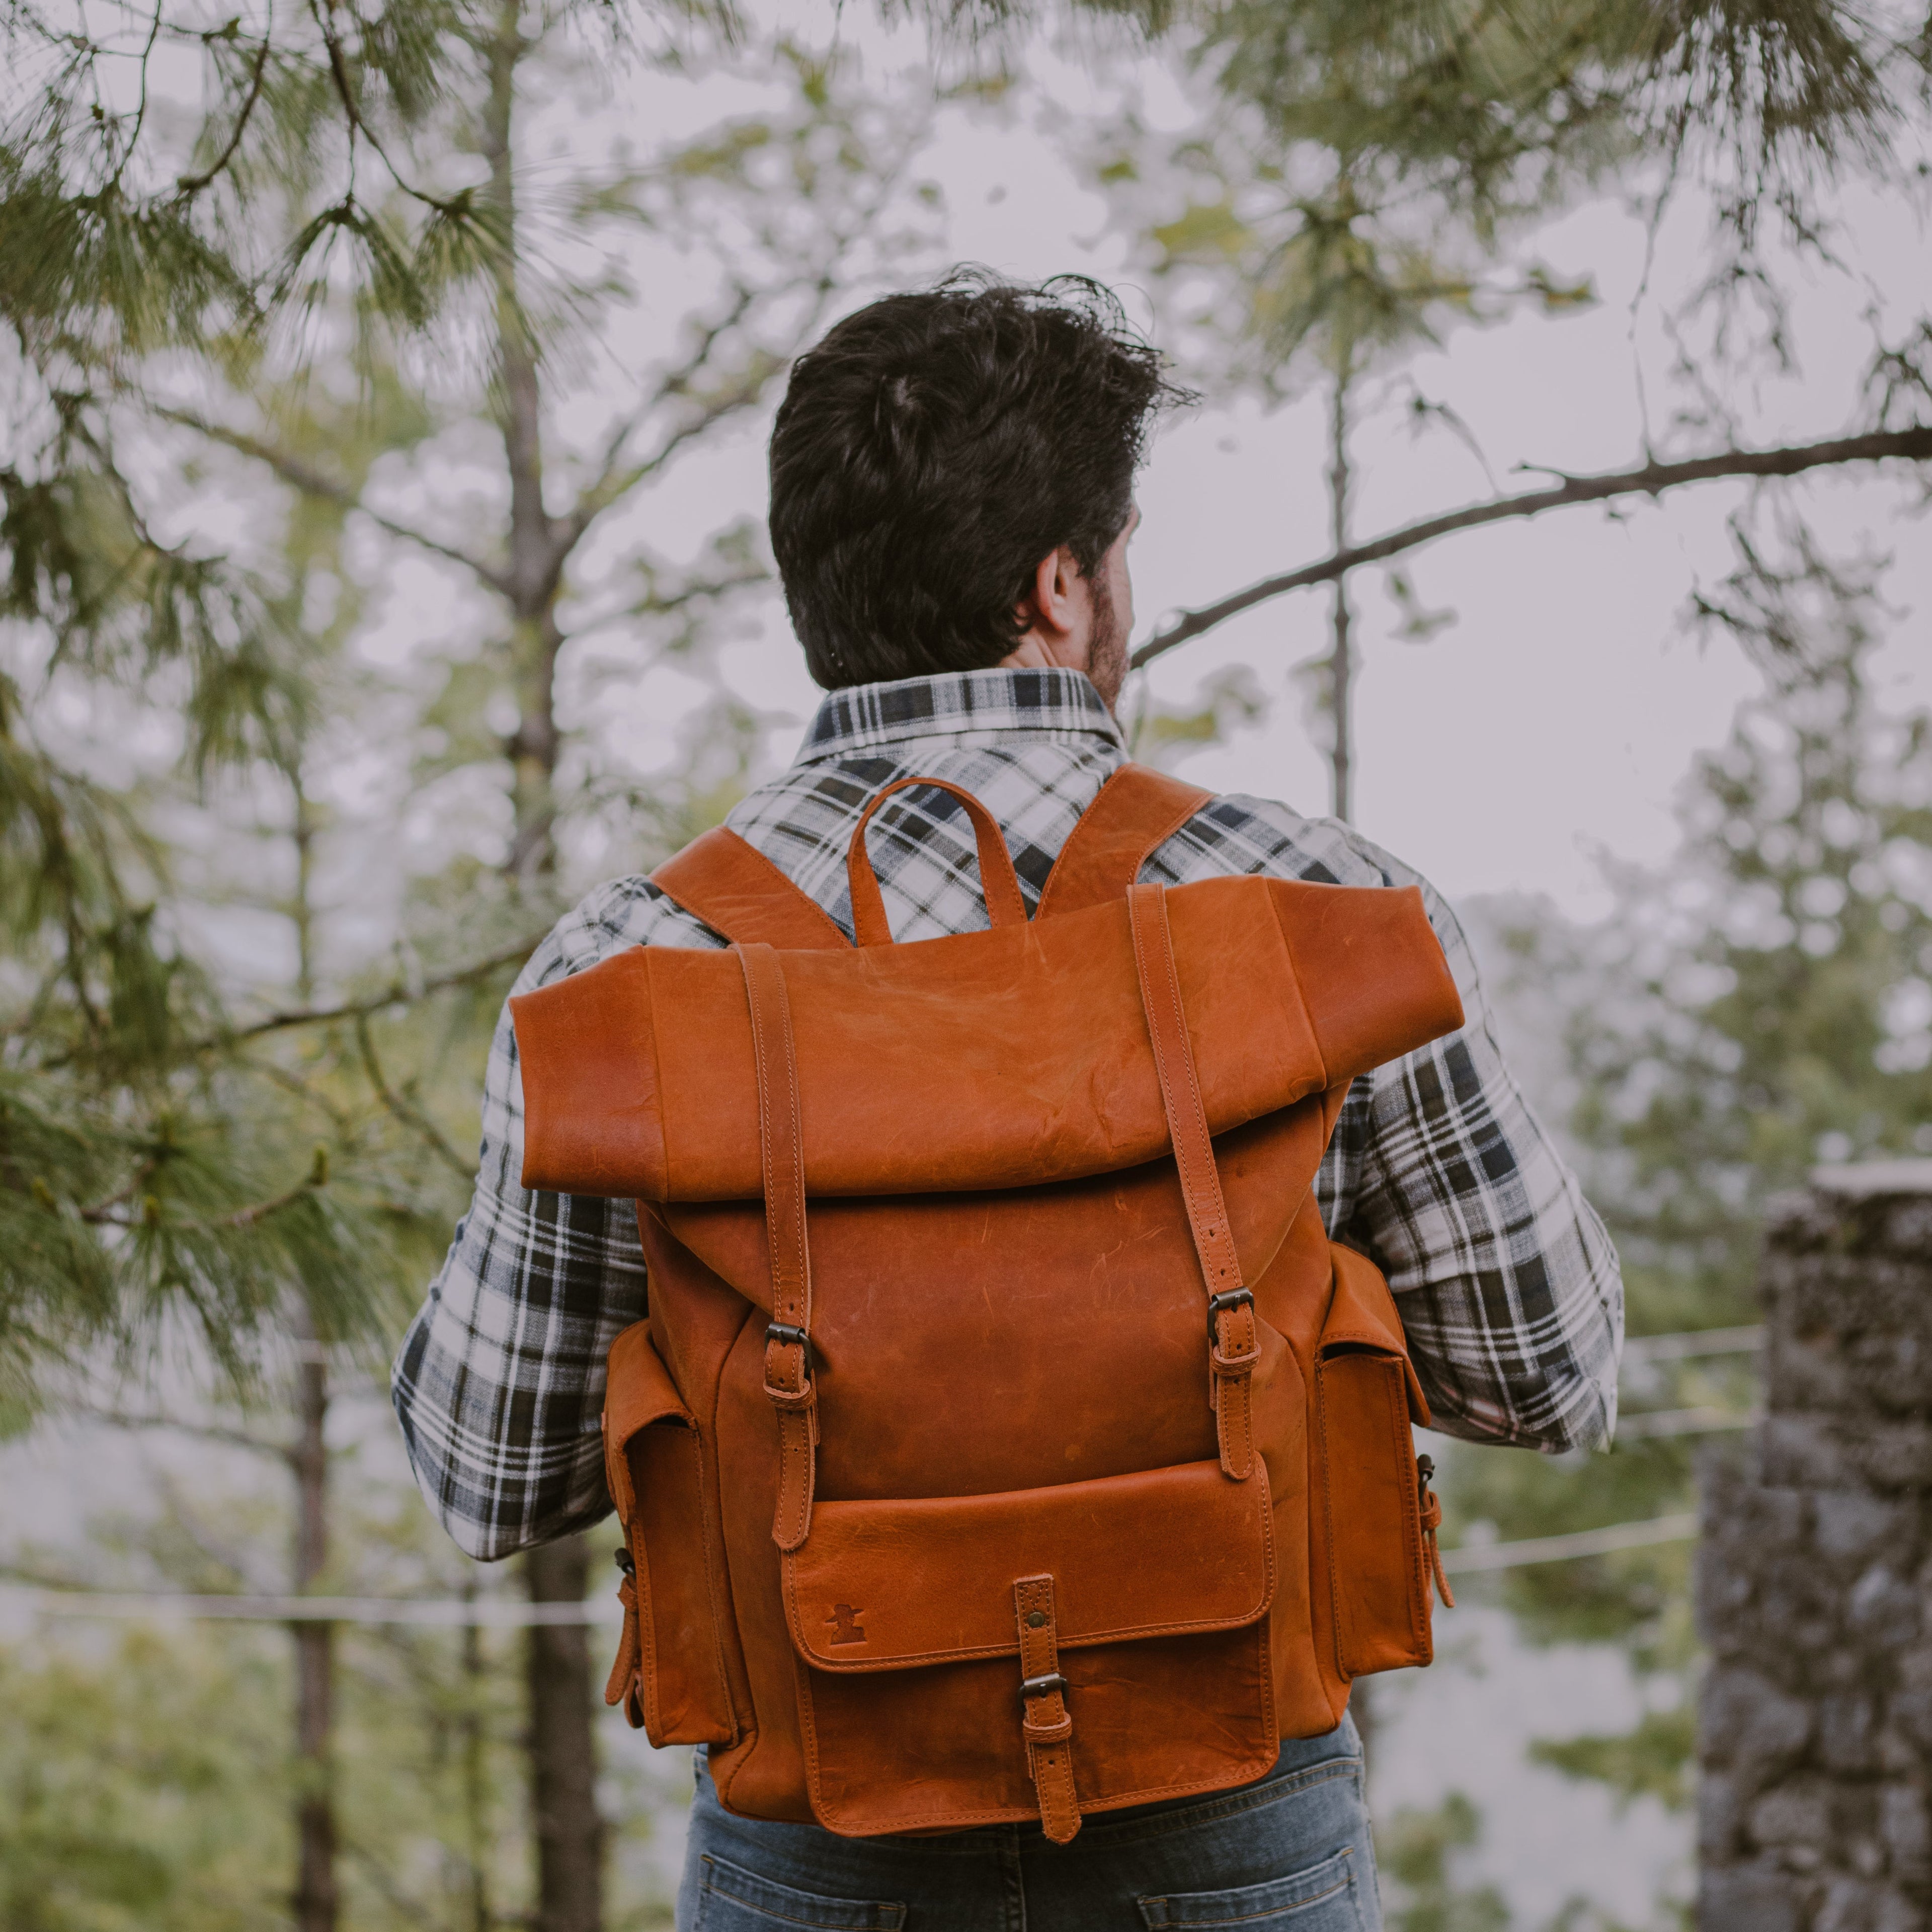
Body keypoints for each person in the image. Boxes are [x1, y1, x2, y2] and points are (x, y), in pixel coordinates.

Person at [393, 270, 1623, 1929]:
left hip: (821, 1845)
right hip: (1234, 1829)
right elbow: (1545, 1375)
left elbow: (490, 1471)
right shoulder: (1316, 909)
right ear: (1060, 585)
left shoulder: (627, 972)